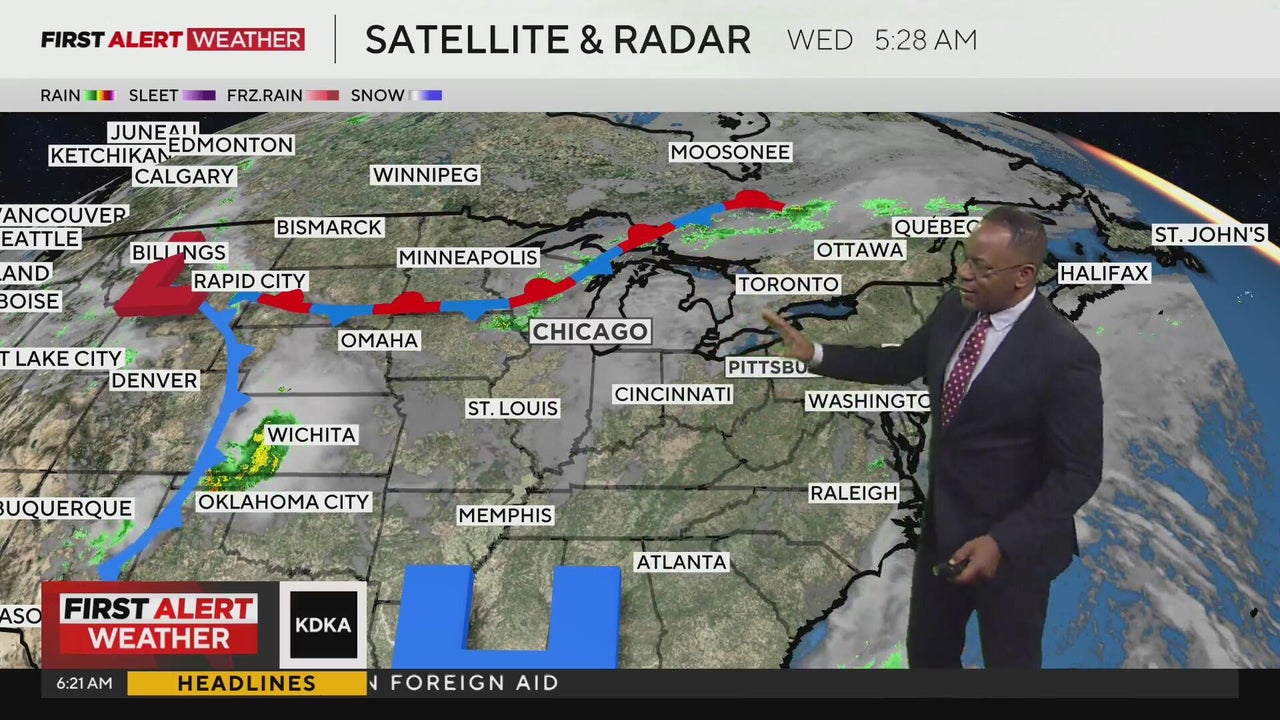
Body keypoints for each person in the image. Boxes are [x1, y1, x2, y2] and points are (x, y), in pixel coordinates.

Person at [762, 206, 1103, 669]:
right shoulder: (955, 309)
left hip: (1014, 555)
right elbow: (901, 363)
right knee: (928, 657)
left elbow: (1078, 472)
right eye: (965, 259)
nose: (963, 273)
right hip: (944, 534)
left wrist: (1001, 541)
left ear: (1023, 276)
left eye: (981, 267)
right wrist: (816, 354)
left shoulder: (1066, 355)